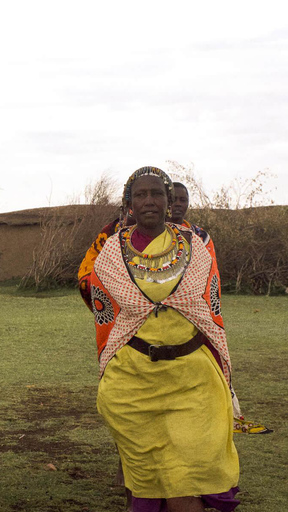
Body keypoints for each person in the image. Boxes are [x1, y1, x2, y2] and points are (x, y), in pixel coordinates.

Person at [91, 166, 240, 512]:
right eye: (140, 195)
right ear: (129, 203)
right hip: (134, 381)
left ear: (169, 201)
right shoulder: (111, 254)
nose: (149, 201)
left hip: (192, 380)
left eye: (157, 194)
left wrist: (222, 370)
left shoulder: (195, 247)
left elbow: (211, 309)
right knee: (146, 479)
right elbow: (105, 317)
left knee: (187, 480)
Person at [169, 182, 272, 435]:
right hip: (159, 315)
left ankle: (217, 414)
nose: (178, 205)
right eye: (173, 199)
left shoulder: (200, 236)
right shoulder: (146, 235)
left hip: (196, 310)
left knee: (208, 363)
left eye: (183, 199)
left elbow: (210, 276)